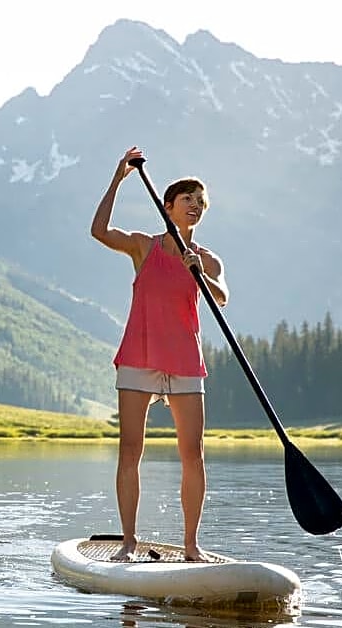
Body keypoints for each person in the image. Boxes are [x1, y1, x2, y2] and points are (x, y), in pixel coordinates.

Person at [90, 146, 229, 562]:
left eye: (201, 202)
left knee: (194, 455)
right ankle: (129, 541)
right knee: (130, 450)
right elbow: (99, 230)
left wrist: (198, 272)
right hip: (138, 358)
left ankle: (191, 545)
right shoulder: (142, 247)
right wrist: (117, 179)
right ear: (167, 206)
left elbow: (221, 299)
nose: (196, 206)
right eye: (188, 200)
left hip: (185, 362)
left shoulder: (207, 258)